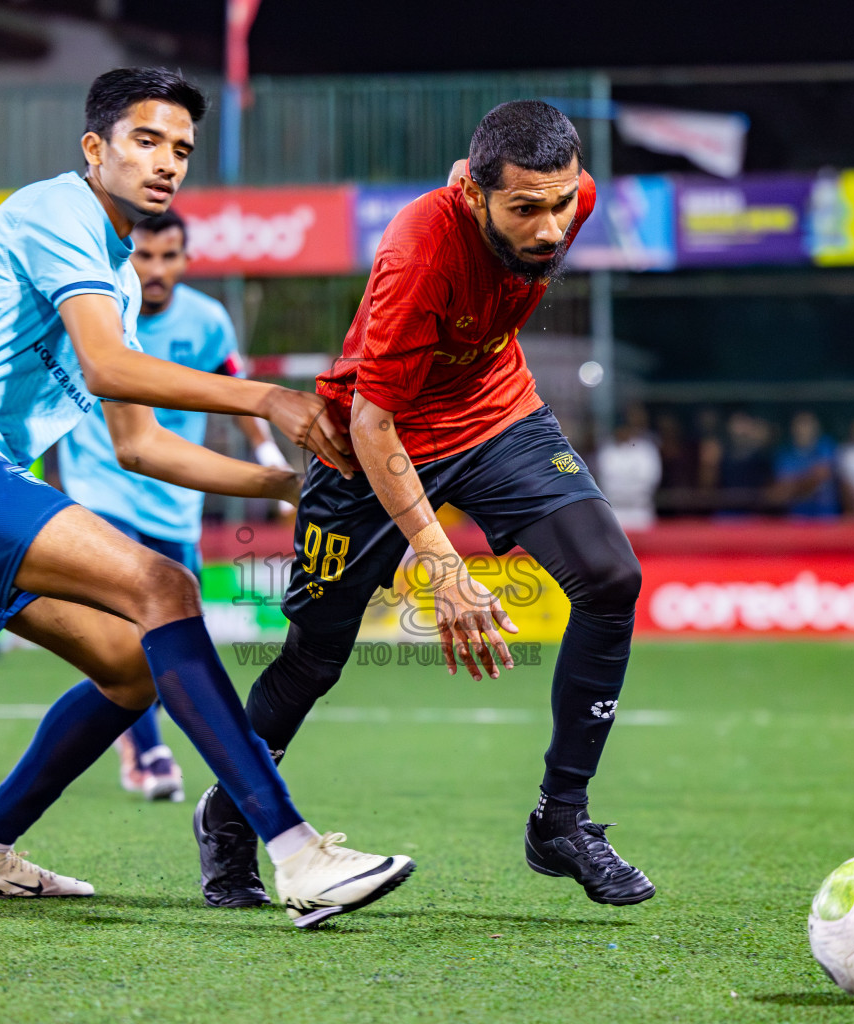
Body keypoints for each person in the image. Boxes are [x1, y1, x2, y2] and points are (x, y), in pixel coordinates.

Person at [0, 67, 413, 928]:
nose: (166, 162)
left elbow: (139, 444)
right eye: (146, 140)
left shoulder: (113, 277)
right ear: (95, 147)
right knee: (166, 589)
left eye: (181, 149)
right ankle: (299, 854)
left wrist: (292, 486)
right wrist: (265, 396)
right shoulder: (57, 213)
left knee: (125, 669)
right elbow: (110, 368)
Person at [191, 100, 655, 911]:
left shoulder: (559, 198)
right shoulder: (418, 250)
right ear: (476, 195)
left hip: (494, 413)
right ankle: (230, 816)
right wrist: (441, 562)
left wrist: (541, 205)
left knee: (611, 578)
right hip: (367, 439)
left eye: (561, 203)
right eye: (525, 210)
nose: (550, 230)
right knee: (314, 657)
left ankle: (562, 820)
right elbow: (373, 421)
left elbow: (535, 206)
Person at [54, 208, 294, 802]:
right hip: (101, 492)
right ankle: (147, 751)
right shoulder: (96, 310)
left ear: (186, 259)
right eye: (144, 256)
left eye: (169, 257)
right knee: (126, 636)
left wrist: (273, 464)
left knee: (171, 637)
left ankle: (147, 740)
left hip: (174, 503)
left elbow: (239, 399)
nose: (156, 269)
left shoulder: (208, 321)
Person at [593, 405, 661, 529]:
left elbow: (650, 480)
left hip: (640, 511)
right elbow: (605, 481)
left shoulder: (645, 450)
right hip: (614, 510)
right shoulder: (607, 452)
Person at [770, 410, 839, 519]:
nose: (804, 429)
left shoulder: (825, 446)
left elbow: (821, 474)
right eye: (800, 424)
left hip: (825, 514)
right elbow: (783, 489)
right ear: (792, 428)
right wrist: (806, 480)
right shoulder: (785, 453)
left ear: (816, 427)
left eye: (808, 424)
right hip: (796, 514)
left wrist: (796, 484)